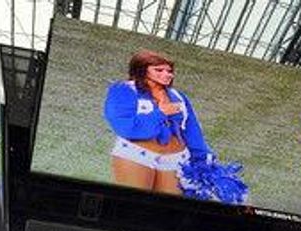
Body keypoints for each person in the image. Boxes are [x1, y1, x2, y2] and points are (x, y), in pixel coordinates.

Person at [104, 50, 246, 203]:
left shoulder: (178, 96)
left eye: (169, 71)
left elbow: (191, 130)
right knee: (135, 205)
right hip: (136, 156)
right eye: (159, 70)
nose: (167, 74)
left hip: (176, 160)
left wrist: (203, 158)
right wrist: (161, 113)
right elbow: (124, 127)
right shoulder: (124, 90)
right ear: (142, 70)